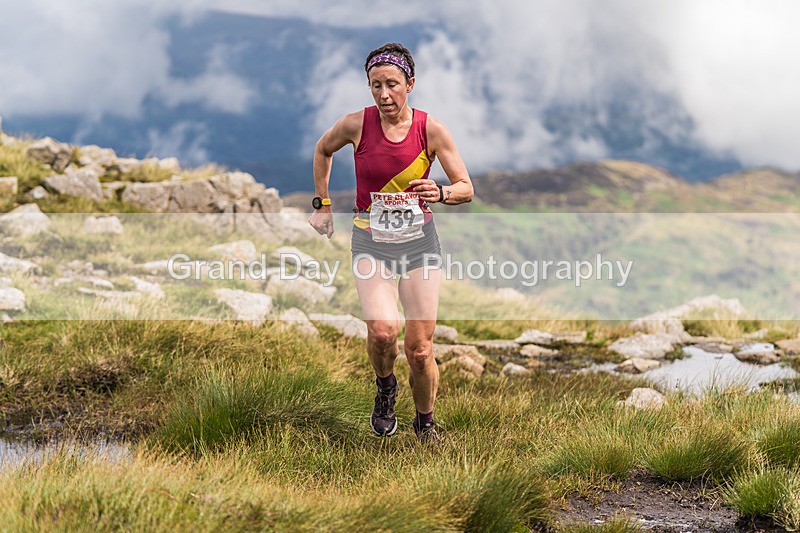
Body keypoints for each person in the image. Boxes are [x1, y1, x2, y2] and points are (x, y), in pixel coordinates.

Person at [308, 42, 473, 442]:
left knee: (419, 348)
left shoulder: (430, 129)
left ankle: (425, 422)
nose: (384, 94)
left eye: (392, 85)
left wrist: (441, 192)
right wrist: (322, 204)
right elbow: (322, 149)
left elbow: (466, 187)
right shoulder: (355, 124)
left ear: (410, 84)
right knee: (383, 333)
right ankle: (385, 388)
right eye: (375, 85)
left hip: (419, 243)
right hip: (371, 241)